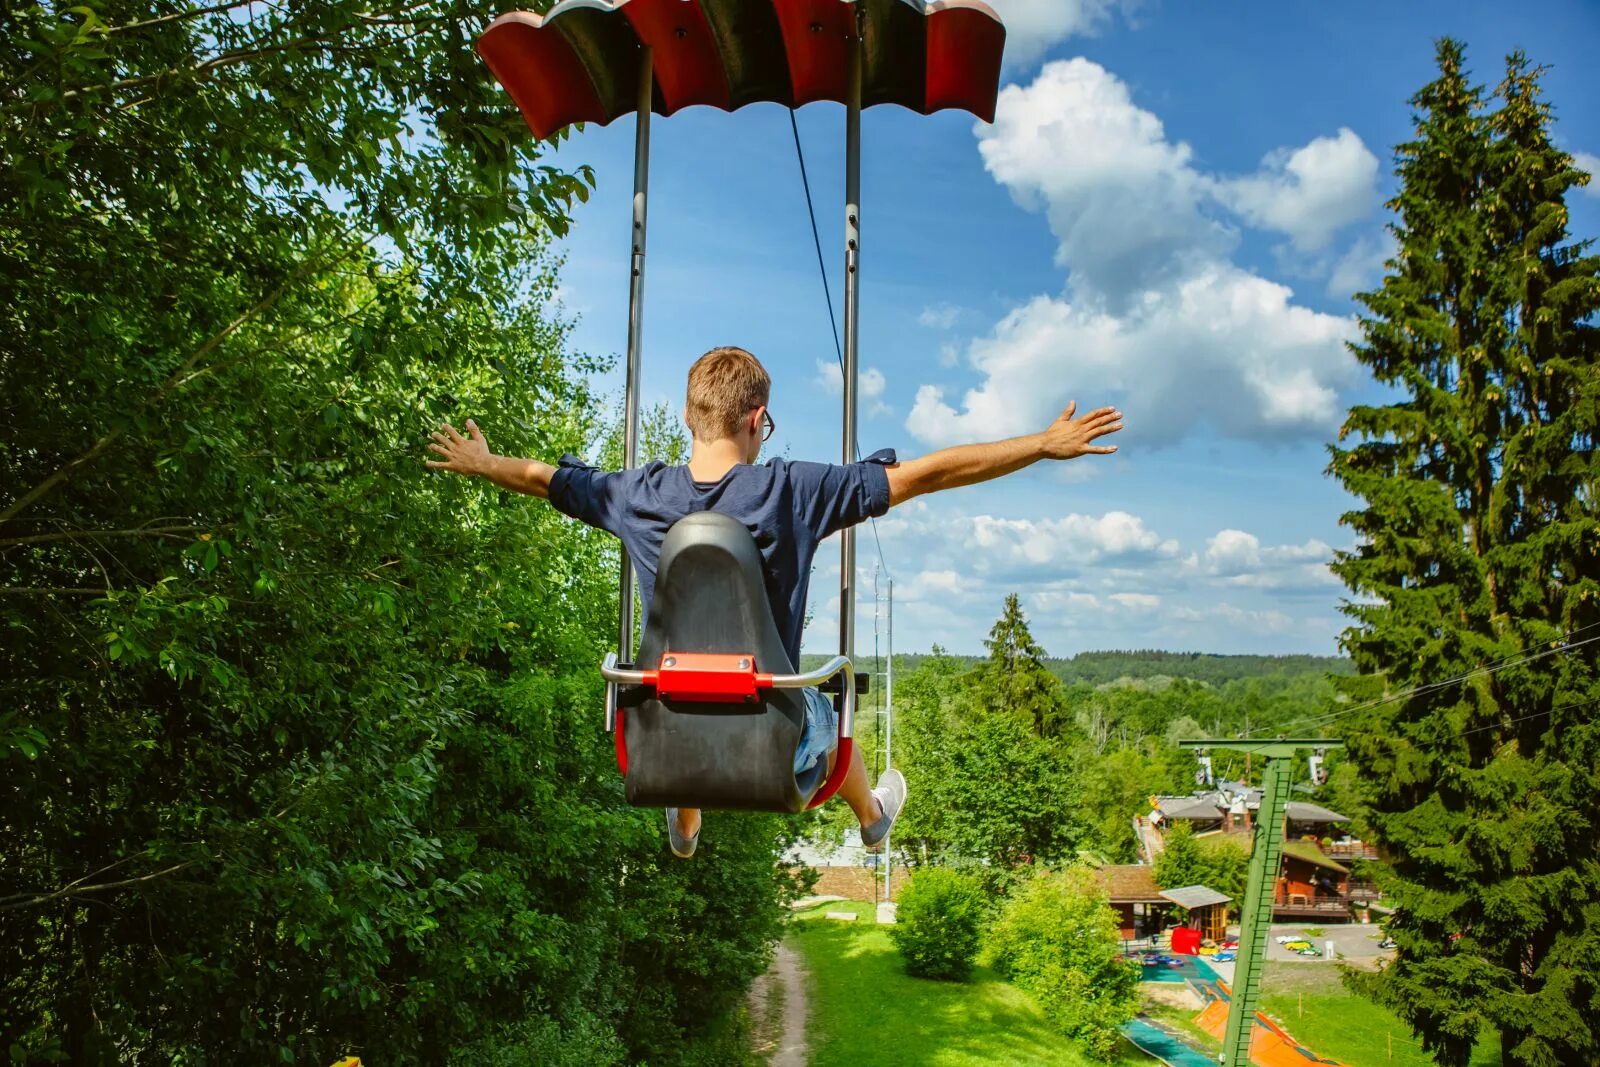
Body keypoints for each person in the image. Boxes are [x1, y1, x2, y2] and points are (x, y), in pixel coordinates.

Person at [425, 346, 1122, 857]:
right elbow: (929, 474)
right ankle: (873, 816)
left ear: (690, 415)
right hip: (775, 746)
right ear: (756, 418)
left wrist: (483, 463)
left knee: (683, 677)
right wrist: (1041, 443)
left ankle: (686, 816)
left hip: (658, 742)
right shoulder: (794, 490)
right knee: (828, 699)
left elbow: (547, 478)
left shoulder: (634, 493)